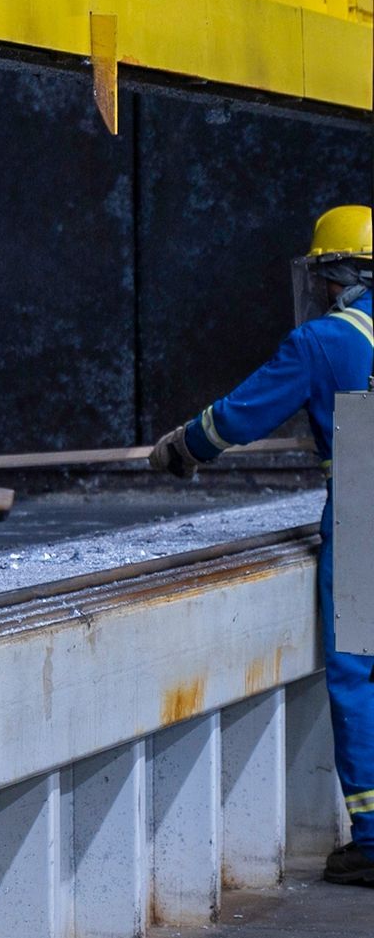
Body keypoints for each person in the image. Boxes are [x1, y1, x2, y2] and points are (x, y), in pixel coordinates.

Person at [150, 204, 374, 886]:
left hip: (367, 494)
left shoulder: (327, 341)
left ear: (334, 273)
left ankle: (372, 836)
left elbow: (239, 415)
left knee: (359, 670)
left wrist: (182, 447)